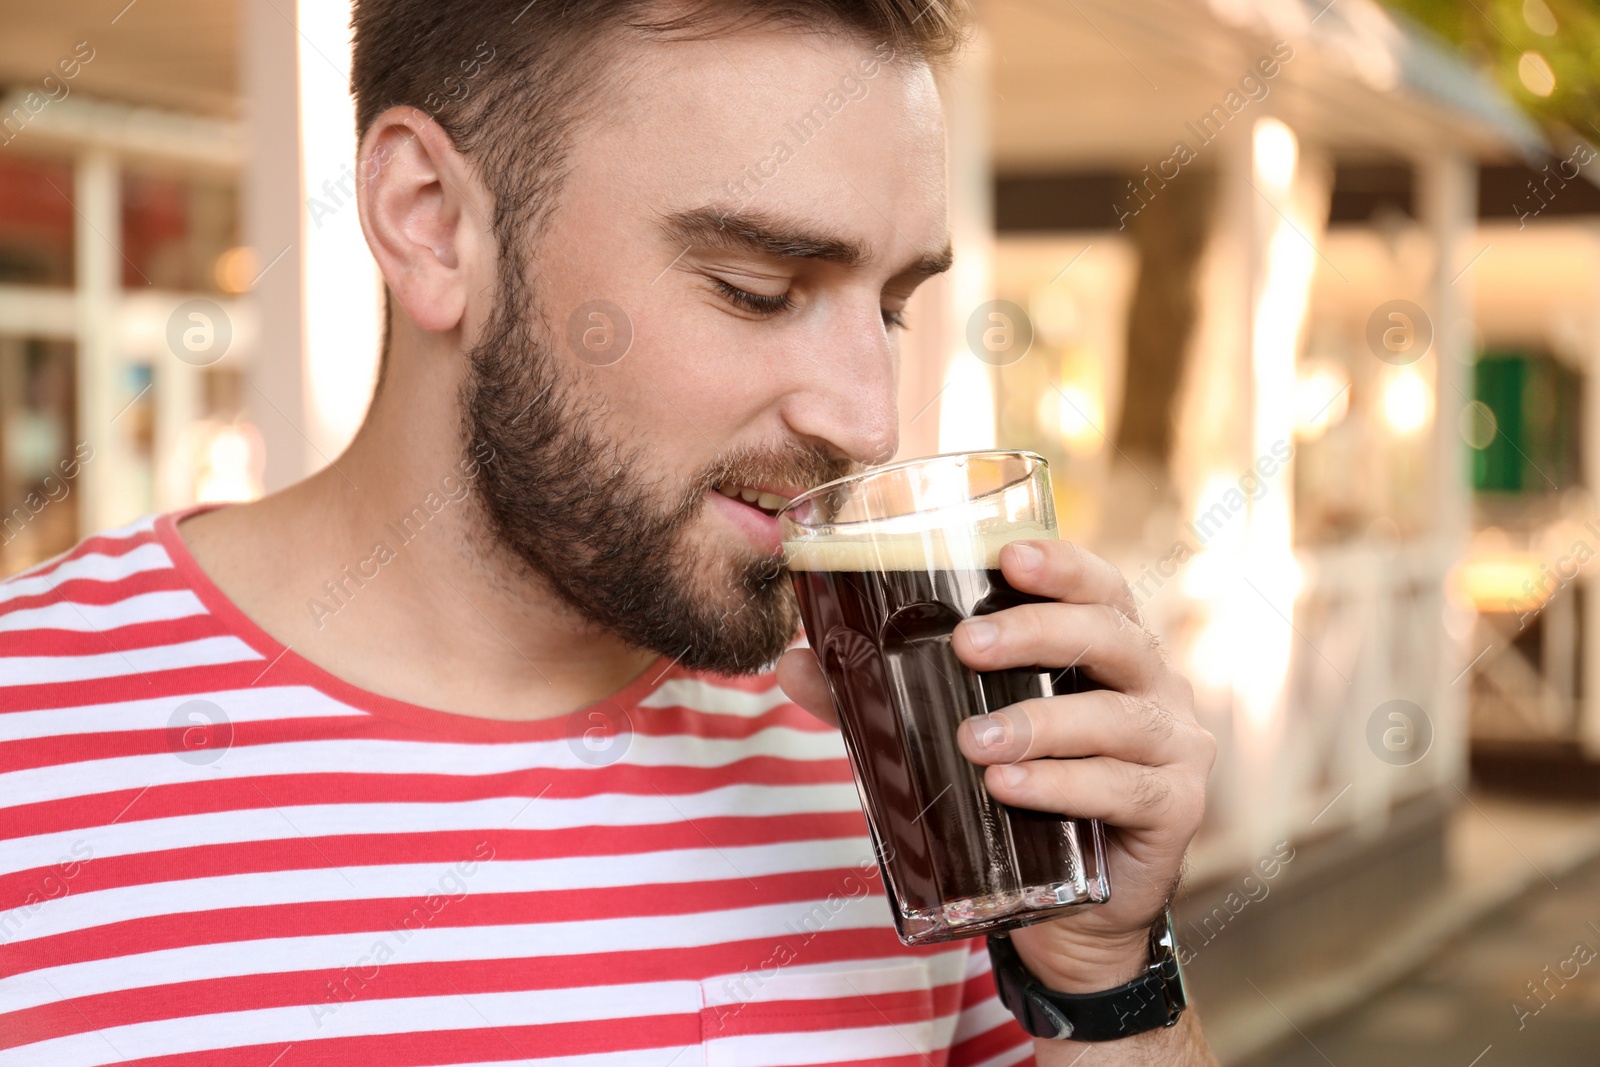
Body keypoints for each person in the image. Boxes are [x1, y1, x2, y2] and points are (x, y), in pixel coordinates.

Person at [0, 1, 1218, 1063]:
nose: (867, 420)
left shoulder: (911, 771)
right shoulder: (32, 740)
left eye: (892, 305)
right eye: (758, 287)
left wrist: (1110, 984)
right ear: (430, 220)